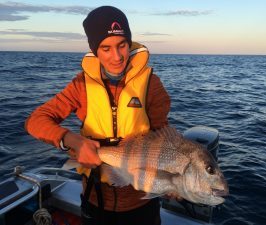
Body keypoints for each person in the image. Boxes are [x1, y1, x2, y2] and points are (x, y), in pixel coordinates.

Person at [25, 5, 171, 225]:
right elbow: (36, 120)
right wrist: (72, 140)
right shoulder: (81, 85)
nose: (117, 56)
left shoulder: (152, 84)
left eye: (122, 45)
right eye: (106, 48)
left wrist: (172, 182)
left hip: (141, 204)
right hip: (95, 200)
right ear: (95, 50)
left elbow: (163, 138)